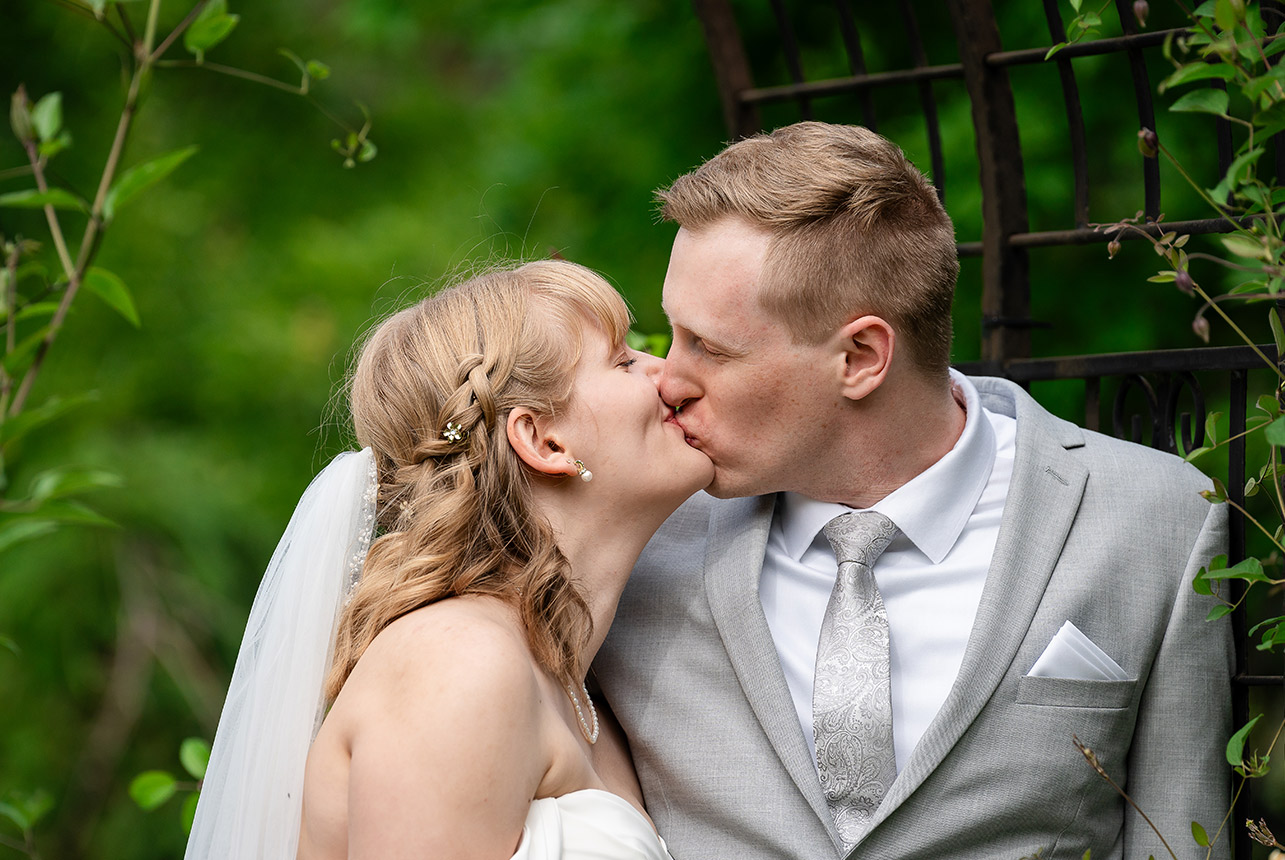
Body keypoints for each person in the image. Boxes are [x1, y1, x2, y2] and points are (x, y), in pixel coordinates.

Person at [595, 122, 1234, 860]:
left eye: (709, 346)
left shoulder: (1156, 519)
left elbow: (1180, 839)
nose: (667, 381)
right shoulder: (639, 526)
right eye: (672, 333)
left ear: (861, 356)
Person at [184, 260, 713, 859]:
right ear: (544, 442)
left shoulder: (577, 687)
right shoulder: (458, 663)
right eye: (623, 360)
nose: (666, 372)